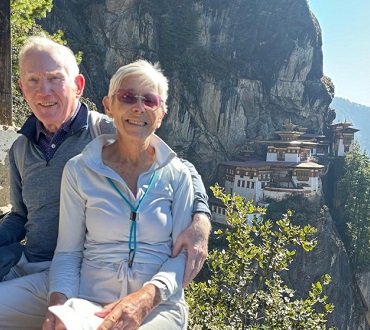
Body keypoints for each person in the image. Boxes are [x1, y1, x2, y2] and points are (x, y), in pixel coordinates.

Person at [0, 36, 211, 329]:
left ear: (78, 86)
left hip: (79, 271)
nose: (43, 90)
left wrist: (201, 219)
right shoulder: (21, 149)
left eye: (54, 79)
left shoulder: (108, 130)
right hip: (42, 267)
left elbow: (175, 165)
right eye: (33, 80)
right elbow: (20, 215)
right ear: (21, 88)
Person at [44, 59, 194, 330]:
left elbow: (181, 256)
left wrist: (147, 298)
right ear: (109, 105)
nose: (138, 107)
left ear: (161, 113)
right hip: (91, 301)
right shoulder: (80, 170)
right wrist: (58, 306)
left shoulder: (177, 175)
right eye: (127, 97)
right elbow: (67, 252)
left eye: (149, 100)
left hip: (158, 305)